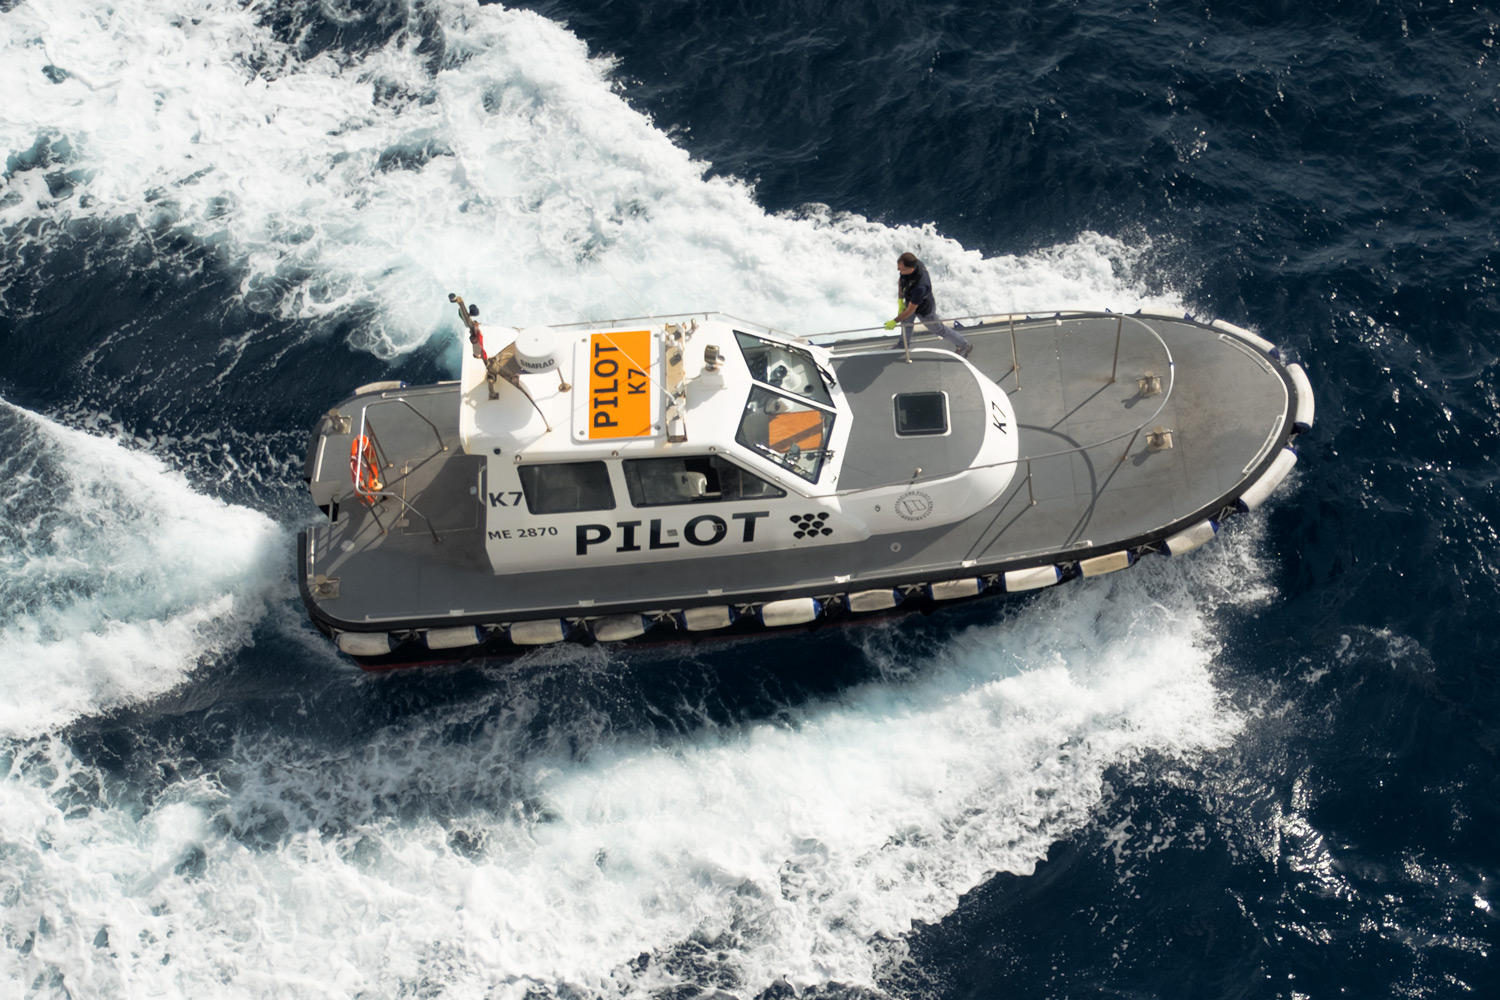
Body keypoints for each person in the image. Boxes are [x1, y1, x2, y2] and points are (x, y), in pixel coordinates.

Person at [884, 252, 972, 357]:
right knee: (906, 324)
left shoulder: (920, 286)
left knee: (939, 330)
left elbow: (911, 310)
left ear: (910, 269)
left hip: (924, 310)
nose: (899, 271)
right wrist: (900, 301)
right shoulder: (911, 265)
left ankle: (964, 345)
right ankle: (903, 345)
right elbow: (901, 281)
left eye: (901, 269)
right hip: (910, 300)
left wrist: (894, 321)